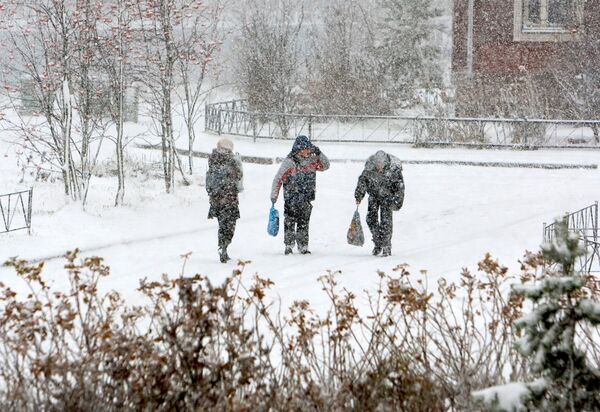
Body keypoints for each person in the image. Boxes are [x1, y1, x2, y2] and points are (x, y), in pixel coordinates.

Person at [271, 135, 330, 255]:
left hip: (306, 197)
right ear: (299, 149)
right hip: (291, 197)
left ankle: (303, 246)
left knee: (304, 222)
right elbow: (278, 178)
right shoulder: (289, 162)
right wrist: (274, 195)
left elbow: (326, 165)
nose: (308, 151)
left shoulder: (312, 161)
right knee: (290, 221)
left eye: (309, 148)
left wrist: (319, 152)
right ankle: (289, 245)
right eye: (306, 149)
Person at [355, 150, 405, 257]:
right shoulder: (369, 167)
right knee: (370, 219)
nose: (379, 168)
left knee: (386, 221)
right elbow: (362, 182)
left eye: (381, 165)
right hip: (373, 195)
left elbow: (400, 187)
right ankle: (378, 242)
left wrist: (397, 202)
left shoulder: (394, 169)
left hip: (388, 197)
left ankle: (386, 246)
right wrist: (359, 195)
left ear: (385, 163)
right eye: (377, 165)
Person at [206, 138, 243, 263]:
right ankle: (224, 247)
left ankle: (222, 247)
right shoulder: (231, 161)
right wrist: (238, 163)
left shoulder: (213, 159)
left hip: (216, 200)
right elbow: (238, 176)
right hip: (229, 199)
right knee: (229, 225)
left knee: (223, 225)